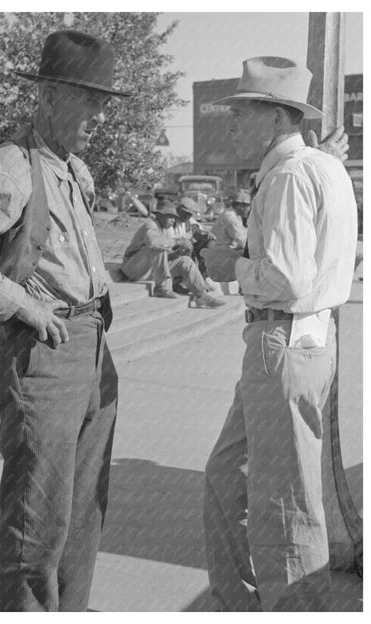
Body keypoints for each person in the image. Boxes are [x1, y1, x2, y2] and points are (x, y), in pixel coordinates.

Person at [0, 30, 129, 611]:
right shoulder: (10, 164)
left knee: (83, 517)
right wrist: (21, 304)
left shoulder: (74, 170)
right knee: (37, 525)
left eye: (103, 104)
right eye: (90, 101)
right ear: (50, 96)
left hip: (90, 348)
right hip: (42, 354)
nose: (99, 116)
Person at [202, 56, 357, 611]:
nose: (232, 125)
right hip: (299, 341)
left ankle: (296, 611)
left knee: (284, 502)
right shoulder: (320, 167)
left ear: (274, 116)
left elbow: (288, 277)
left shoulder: (289, 176)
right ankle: (240, 604)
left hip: (283, 342)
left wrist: (231, 265)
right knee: (227, 477)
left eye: (240, 113)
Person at [121, 198, 225, 306]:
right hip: (132, 269)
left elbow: (162, 257)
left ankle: (201, 295)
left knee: (186, 261)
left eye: (174, 218)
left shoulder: (165, 230)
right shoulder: (151, 225)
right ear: (160, 216)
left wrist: (176, 254)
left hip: (148, 270)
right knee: (158, 247)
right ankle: (161, 288)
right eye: (170, 217)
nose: (173, 221)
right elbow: (153, 243)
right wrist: (176, 242)